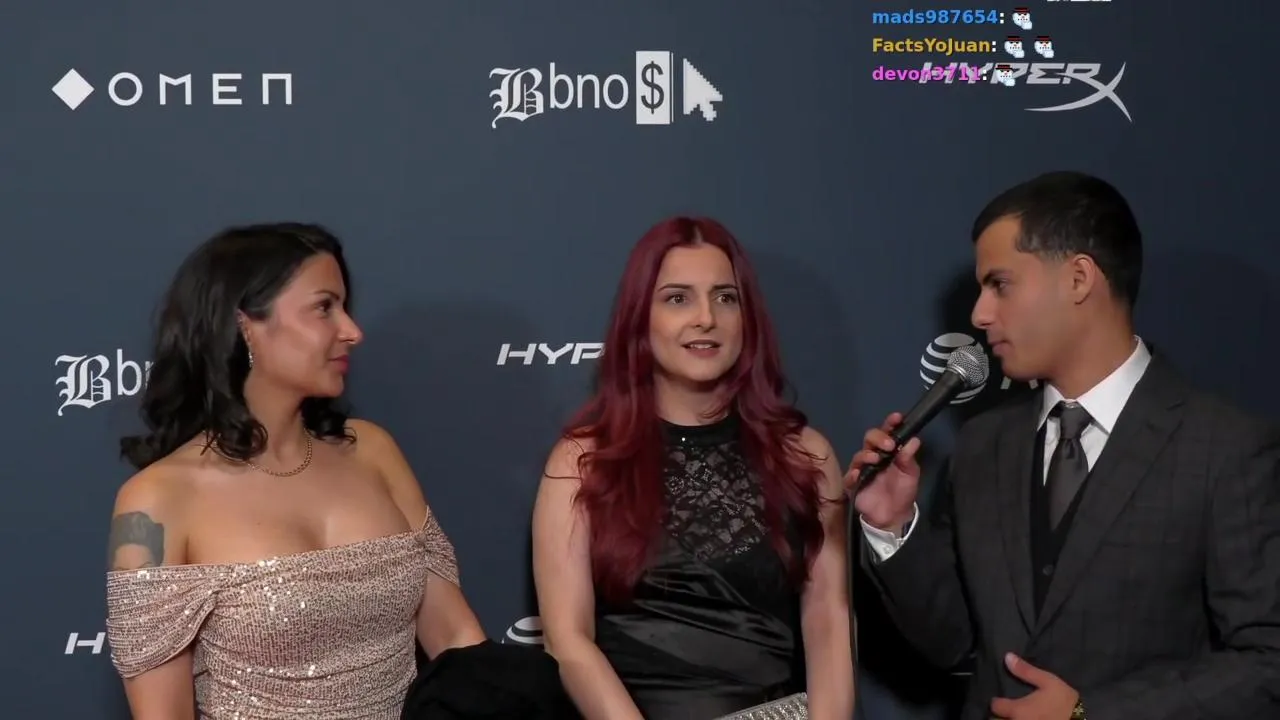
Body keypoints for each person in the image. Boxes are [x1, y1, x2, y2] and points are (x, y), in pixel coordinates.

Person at [848, 172, 1280, 720]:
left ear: (1078, 278)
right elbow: (953, 642)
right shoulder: (983, 446)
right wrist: (893, 527)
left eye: (1000, 285)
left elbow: (1268, 663)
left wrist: (1089, 713)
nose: (980, 314)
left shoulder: (1225, 448)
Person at [105, 223, 488, 720]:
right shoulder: (155, 500)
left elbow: (456, 637)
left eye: (345, 307)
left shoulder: (372, 451)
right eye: (324, 307)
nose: (352, 331)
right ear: (245, 323)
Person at [531, 216, 855, 720]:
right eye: (678, 298)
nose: (706, 318)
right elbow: (569, 641)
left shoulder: (804, 455)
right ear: (640, 318)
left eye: (725, 298)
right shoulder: (582, 460)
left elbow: (829, 619)